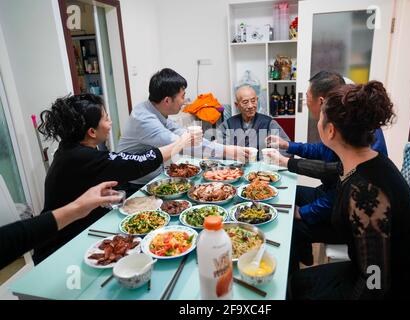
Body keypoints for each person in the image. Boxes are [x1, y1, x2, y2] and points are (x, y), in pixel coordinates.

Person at [289, 81, 410, 299]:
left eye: (321, 118)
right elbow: (330, 169)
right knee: (294, 284)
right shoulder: (365, 159)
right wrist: (287, 161)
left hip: (406, 286)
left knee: (297, 293)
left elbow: (375, 280)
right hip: (371, 268)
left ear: (331, 130)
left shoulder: (365, 194)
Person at [33, 93, 197, 264]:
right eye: (106, 119)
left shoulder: (70, 148)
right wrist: (181, 143)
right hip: (59, 248)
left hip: (75, 232)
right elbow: (138, 163)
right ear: (91, 131)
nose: (110, 123)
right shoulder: (80, 156)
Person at [265, 71, 388, 271]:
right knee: (289, 197)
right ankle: (303, 257)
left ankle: (294, 274)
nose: (306, 104)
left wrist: (303, 212)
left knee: (289, 224)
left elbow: (340, 190)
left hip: (350, 226)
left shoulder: (363, 168)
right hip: (340, 204)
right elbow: (326, 160)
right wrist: (290, 147)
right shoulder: (349, 129)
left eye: (307, 98)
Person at [117, 68, 249, 195]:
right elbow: (183, 146)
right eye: (182, 96)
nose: (184, 101)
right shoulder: (145, 120)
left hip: (152, 175)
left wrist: (223, 148)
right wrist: (227, 151)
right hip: (133, 184)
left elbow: (184, 135)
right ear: (167, 100)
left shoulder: (155, 110)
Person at [0, 181, 122, 270]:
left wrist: (78, 208)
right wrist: (77, 208)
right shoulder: (75, 156)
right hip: (50, 255)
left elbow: (13, 238)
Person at [217, 85, 290, 158]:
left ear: (257, 100)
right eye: (245, 102)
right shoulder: (228, 124)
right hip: (236, 167)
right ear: (237, 105)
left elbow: (286, 149)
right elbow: (217, 149)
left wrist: (269, 160)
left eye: (253, 101)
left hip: (264, 167)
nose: (250, 106)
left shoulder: (269, 123)